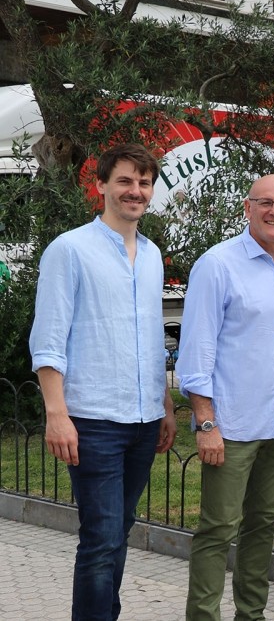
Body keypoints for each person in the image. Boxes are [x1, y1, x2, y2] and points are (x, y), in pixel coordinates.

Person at [29, 143, 177, 620]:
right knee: (101, 538)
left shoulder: (152, 255)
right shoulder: (70, 249)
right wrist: (57, 414)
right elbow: (48, 340)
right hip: (93, 420)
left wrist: (165, 405)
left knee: (118, 532)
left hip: (143, 420)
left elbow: (150, 338)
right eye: (125, 181)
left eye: (144, 183)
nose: (136, 191)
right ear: (100, 185)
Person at [179, 174, 274, 620]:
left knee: (262, 526)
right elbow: (197, 349)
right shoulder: (217, 264)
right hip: (231, 425)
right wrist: (205, 422)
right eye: (265, 202)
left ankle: (250, 615)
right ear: (247, 208)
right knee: (218, 528)